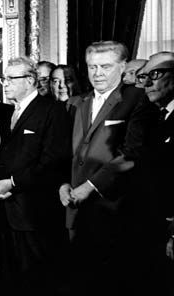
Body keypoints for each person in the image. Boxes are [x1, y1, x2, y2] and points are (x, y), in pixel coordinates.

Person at [60, 41, 157, 296]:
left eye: (105, 66)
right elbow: (65, 154)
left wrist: (91, 187)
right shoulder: (75, 103)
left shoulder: (137, 98)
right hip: (75, 212)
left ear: (123, 67)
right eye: (92, 67)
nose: (98, 73)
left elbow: (131, 154)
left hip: (115, 210)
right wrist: (62, 183)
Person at [0, 56, 71, 295]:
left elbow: (53, 163)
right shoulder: (7, 114)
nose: (5, 84)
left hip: (35, 214)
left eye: (11, 79)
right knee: (11, 281)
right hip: (6, 210)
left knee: (37, 281)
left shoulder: (52, 111)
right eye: (4, 79)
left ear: (31, 80)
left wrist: (12, 184)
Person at [134, 51, 174, 294]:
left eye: (155, 75)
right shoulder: (154, 119)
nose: (147, 83)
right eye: (144, 76)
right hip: (151, 228)